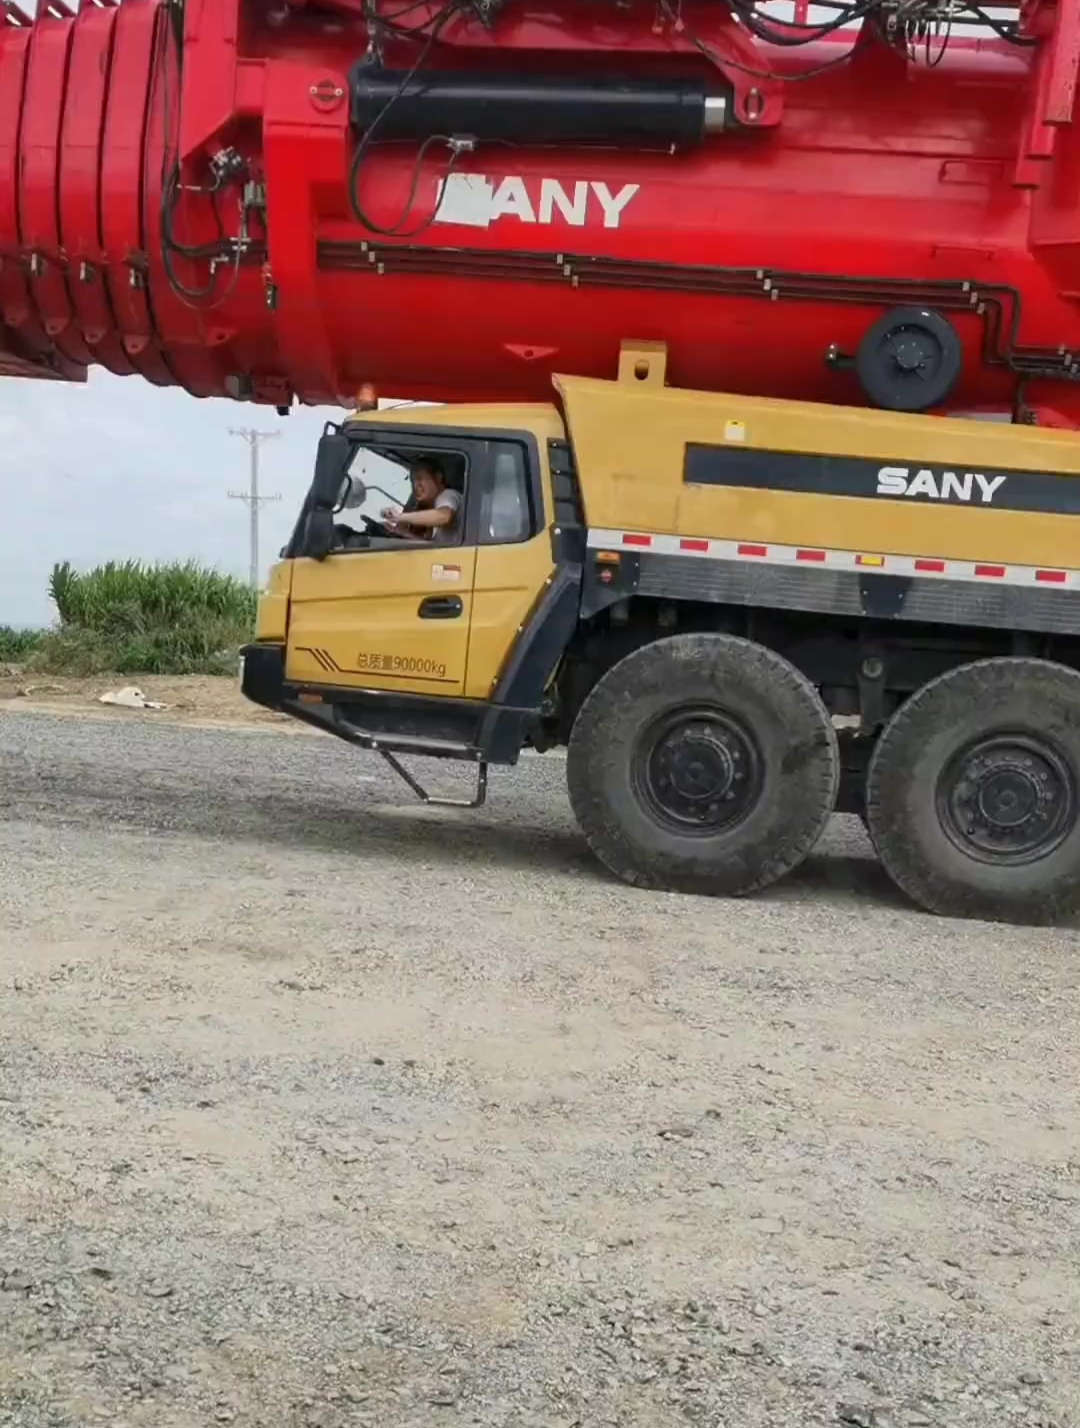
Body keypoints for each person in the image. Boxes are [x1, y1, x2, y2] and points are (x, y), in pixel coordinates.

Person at [382, 459, 461, 544]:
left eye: (420, 478)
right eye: (412, 480)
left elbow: (443, 516)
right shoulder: (435, 504)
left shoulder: (448, 495)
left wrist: (399, 517)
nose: (415, 486)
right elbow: (433, 545)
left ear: (438, 477)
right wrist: (403, 533)